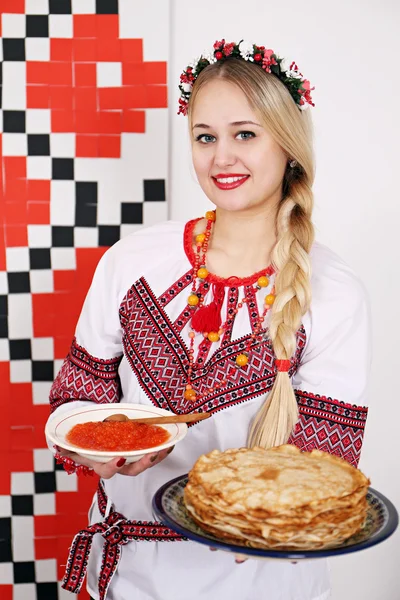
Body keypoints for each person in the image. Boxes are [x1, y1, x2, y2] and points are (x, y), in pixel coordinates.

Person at [46, 39, 370, 600]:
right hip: (130, 578)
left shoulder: (335, 293)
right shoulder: (131, 259)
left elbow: (324, 472)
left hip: (266, 584)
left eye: (245, 134)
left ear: (288, 144)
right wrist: (96, 448)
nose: (222, 157)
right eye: (205, 136)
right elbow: (76, 397)